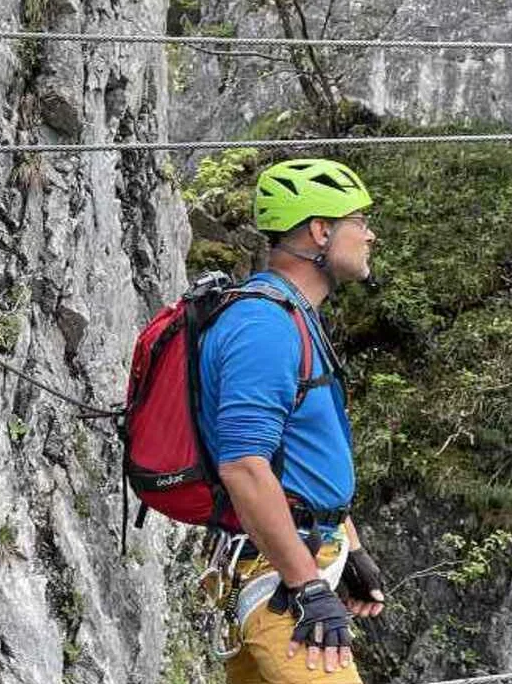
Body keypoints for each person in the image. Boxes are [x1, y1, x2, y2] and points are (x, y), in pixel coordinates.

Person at [196, 159, 389, 683]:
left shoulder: (292, 315)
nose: (369, 236)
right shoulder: (263, 325)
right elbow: (243, 466)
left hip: (296, 558)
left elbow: (300, 453)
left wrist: (350, 546)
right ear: (321, 230)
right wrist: (307, 587)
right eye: (360, 222)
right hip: (281, 576)